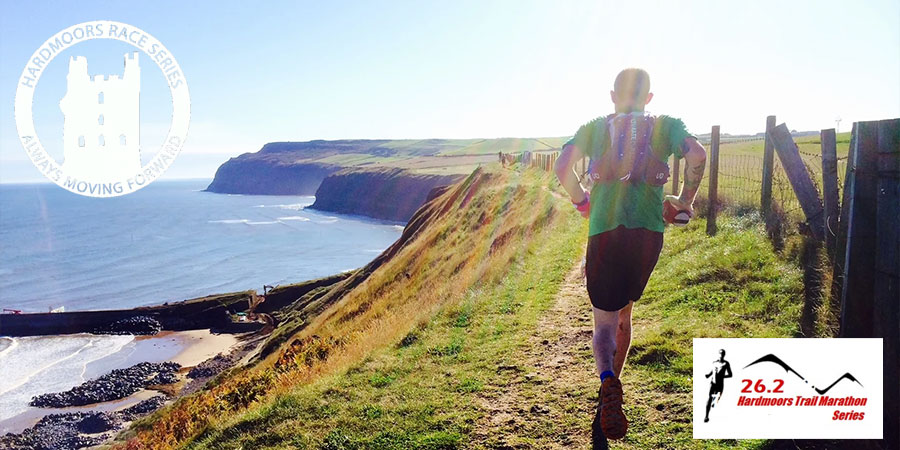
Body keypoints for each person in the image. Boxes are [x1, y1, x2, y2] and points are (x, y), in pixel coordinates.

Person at [554, 68, 707, 444]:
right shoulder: (665, 125)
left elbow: (562, 166)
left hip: (604, 231)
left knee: (603, 325)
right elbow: (698, 155)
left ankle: (608, 382)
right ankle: (613, 388)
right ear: (649, 99)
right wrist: (684, 201)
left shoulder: (595, 128)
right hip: (647, 235)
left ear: (612, 96)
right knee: (625, 314)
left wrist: (582, 202)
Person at [704, 349, 732, 422]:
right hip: (713, 383)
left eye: (722, 354)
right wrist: (708, 375)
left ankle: (714, 402)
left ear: (724, 355)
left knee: (715, 400)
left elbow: (730, 374)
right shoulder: (714, 363)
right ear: (718, 354)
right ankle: (706, 417)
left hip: (720, 384)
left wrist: (722, 376)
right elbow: (712, 371)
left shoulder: (726, 363)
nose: (721, 355)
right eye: (720, 353)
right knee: (709, 398)